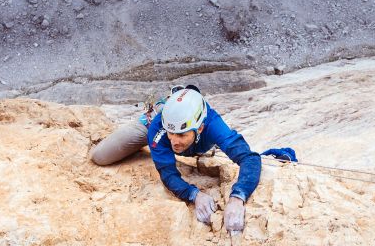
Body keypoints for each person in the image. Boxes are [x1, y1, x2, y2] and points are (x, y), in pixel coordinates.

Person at [89, 86, 261, 233]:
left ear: (199, 128)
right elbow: (168, 174)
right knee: (100, 156)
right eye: (172, 134)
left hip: (198, 138)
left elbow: (249, 158)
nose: (174, 141)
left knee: (201, 143)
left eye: (181, 135)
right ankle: (161, 118)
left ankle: (197, 144)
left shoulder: (212, 125)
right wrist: (194, 195)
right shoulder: (159, 129)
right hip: (153, 128)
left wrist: (238, 197)